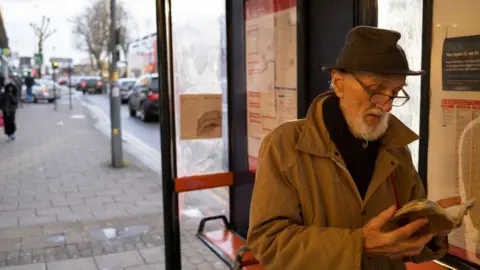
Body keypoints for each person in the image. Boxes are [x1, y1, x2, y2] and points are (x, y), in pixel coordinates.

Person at [247, 26, 461, 269]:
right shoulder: (285, 144)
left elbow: (405, 236)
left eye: (395, 92)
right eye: (376, 90)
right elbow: (269, 242)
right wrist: (360, 245)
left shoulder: (397, 149)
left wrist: (432, 224)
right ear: (338, 83)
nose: (387, 106)